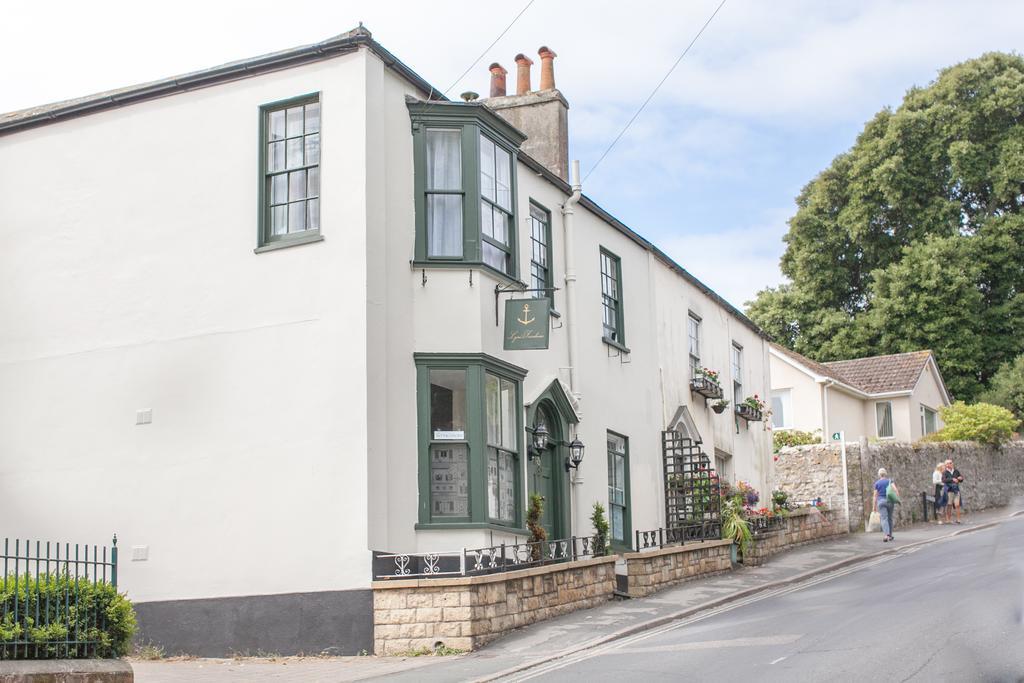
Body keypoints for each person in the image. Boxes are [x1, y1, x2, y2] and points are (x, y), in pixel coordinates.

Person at [874, 468, 896, 542]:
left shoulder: (877, 483)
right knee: (890, 518)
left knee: (884, 518)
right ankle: (890, 536)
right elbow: (895, 490)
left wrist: (874, 507)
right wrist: (897, 498)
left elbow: (875, 496)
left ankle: (886, 535)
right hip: (890, 501)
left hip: (881, 502)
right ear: (885, 474)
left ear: (879, 475)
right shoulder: (890, 481)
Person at [943, 459, 965, 524]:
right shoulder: (945, 472)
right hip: (949, 491)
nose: (951, 464)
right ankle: (948, 519)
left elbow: (960, 478)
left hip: (956, 490)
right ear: (946, 465)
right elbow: (944, 480)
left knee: (957, 505)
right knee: (949, 505)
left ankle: (958, 519)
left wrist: (961, 478)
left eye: (951, 463)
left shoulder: (956, 471)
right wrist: (952, 479)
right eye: (949, 463)